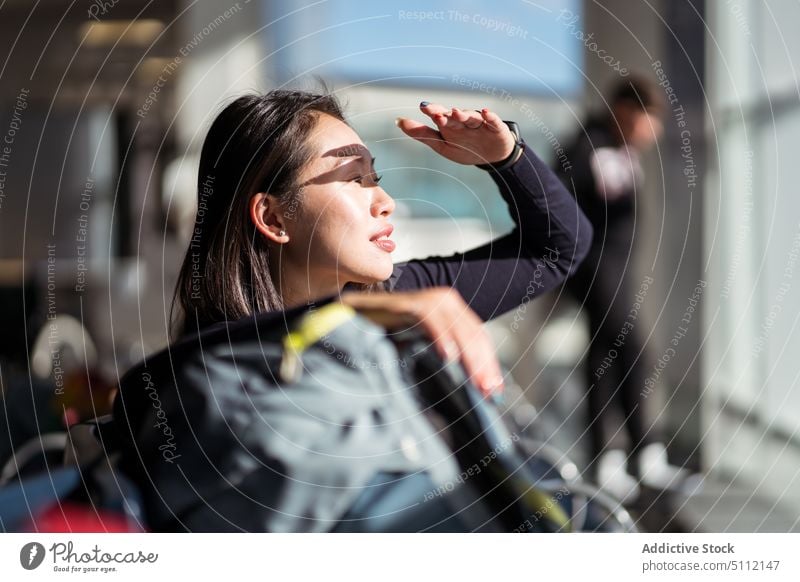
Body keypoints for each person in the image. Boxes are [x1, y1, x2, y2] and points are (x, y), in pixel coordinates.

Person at [113, 88, 593, 530]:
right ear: (274, 217)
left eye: (376, 177)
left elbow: (558, 249)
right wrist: (362, 317)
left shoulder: (394, 298)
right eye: (354, 178)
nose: (385, 201)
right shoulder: (218, 380)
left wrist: (507, 157)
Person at [557, 76, 689, 501]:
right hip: (596, 270)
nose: (654, 131)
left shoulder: (623, 151)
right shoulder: (584, 148)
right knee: (631, 353)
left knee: (606, 355)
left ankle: (620, 458)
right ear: (623, 110)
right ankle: (630, 454)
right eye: (647, 119)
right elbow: (557, 207)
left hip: (620, 270)